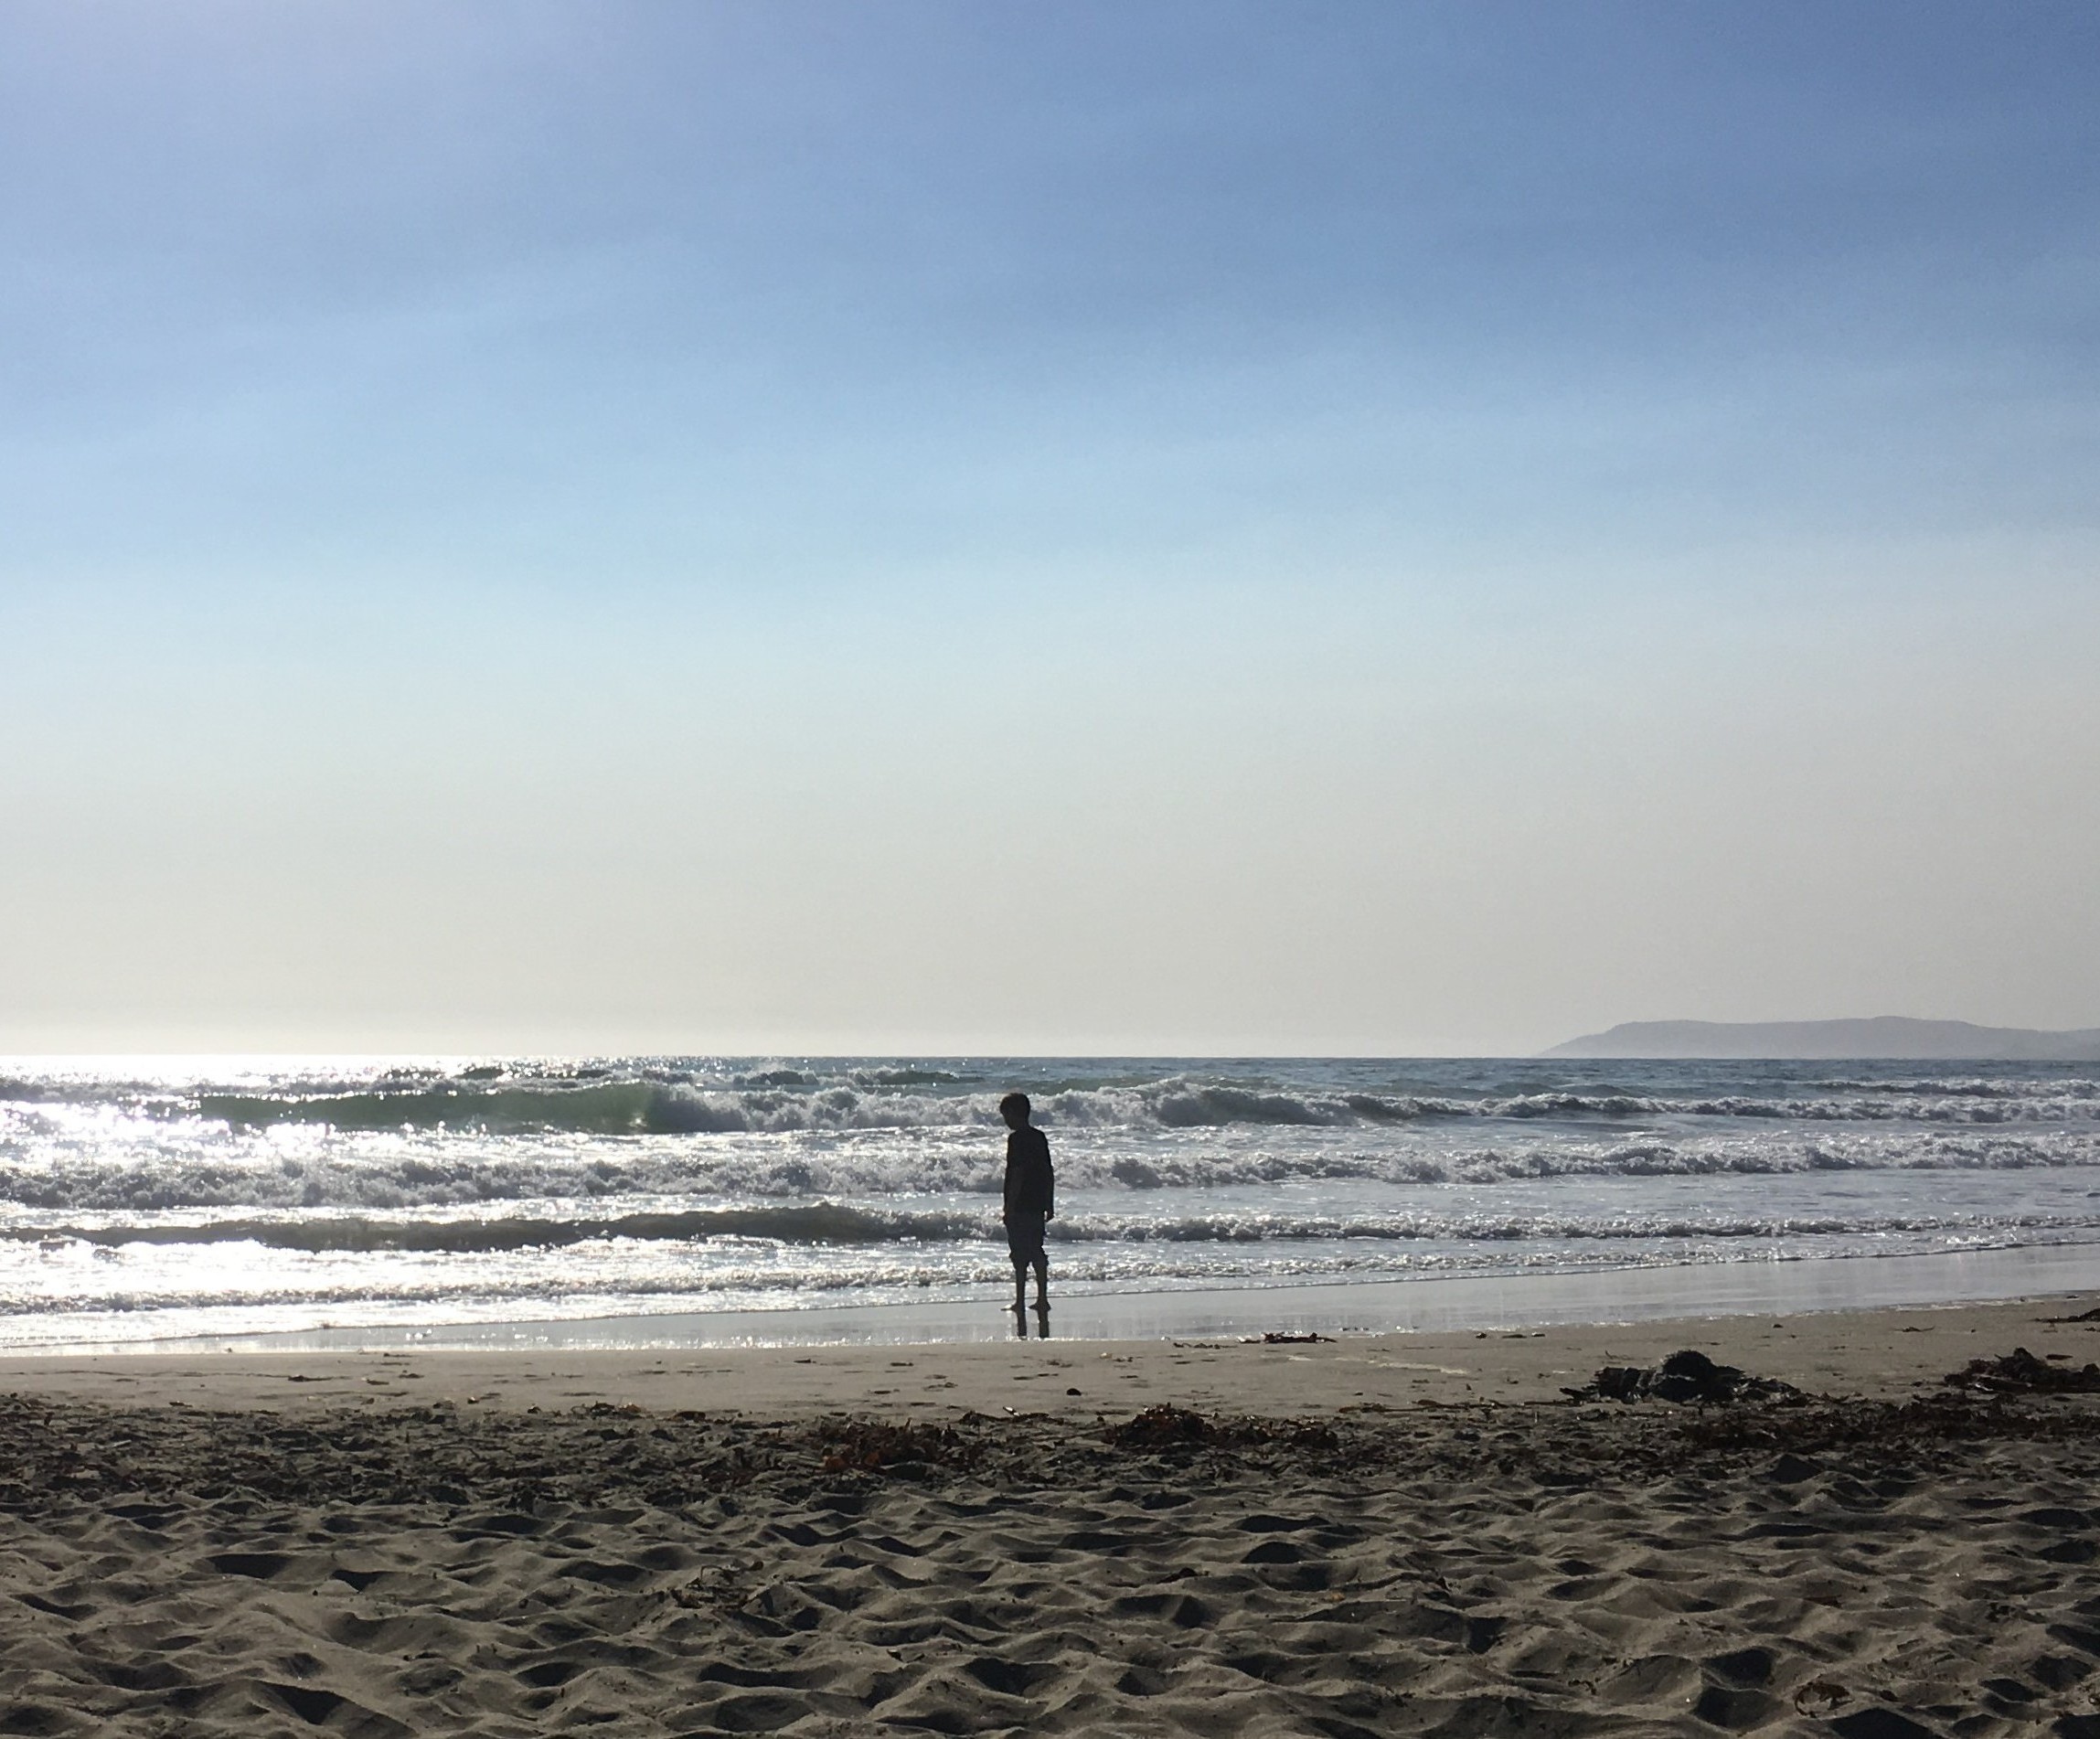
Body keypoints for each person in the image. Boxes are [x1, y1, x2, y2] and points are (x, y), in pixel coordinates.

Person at [999, 1091, 1053, 1315]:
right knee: (1036, 1250)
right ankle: (1042, 1298)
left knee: (1019, 1254)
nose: (1005, 1121)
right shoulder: (1039, 1137)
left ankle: (1020, 1300)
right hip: (1038, 1202)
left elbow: (1017, 1174)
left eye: (1006, 1115)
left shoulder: (1016, 1139)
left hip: (1021, 1203)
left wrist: (1009, 1206)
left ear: (1013, 1114)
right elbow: (1049, 1172)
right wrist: (1050, 1203)